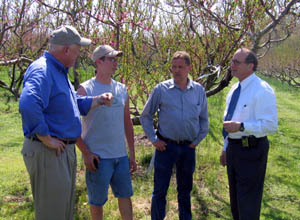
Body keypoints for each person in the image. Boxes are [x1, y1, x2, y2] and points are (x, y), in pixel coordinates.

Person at [19, 26, 113, 220]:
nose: (79, 55)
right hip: (49, 152)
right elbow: (29, 104)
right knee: (52, 214)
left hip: (61, 151)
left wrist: (97, 100)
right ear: (66, 50)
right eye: (78, 50)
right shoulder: (43, 70)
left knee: (63, 213)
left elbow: (70, 104)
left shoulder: (59, 72)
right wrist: (46, 138)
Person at [140, 51, 209, 220]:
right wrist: (154, 140)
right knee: (160, 190)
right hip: (166, 147)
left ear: (189, 68)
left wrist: (196, 141)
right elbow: (146, 115)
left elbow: (204, 119)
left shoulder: (198, 90)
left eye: (181, 67)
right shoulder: (162, 89)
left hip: (188, 148)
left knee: (185, 190)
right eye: (174, 67)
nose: (177, 70)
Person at [76, 45, 137, 220]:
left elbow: (127, 122)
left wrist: (131, 153)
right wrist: (86, 153)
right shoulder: (86, 89)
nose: (115, 63)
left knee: (125, 196)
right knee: (97, 202)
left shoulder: (121, 89)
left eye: (116, 59)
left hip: (120, 156)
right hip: (98, 158)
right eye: (111, 59)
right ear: (99, 62)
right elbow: (72, 125)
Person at [220, 48, 278, 220]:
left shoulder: (262, 90)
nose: (232, 65)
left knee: (248, 203)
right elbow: (230, 120)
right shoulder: (233, 90)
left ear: (250, 66)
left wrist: (242, 127)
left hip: (252, 151)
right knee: (236, 201)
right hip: (234, 149)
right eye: (232, 61)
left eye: (237, 62)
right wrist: (225, 148)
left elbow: (270, 125)